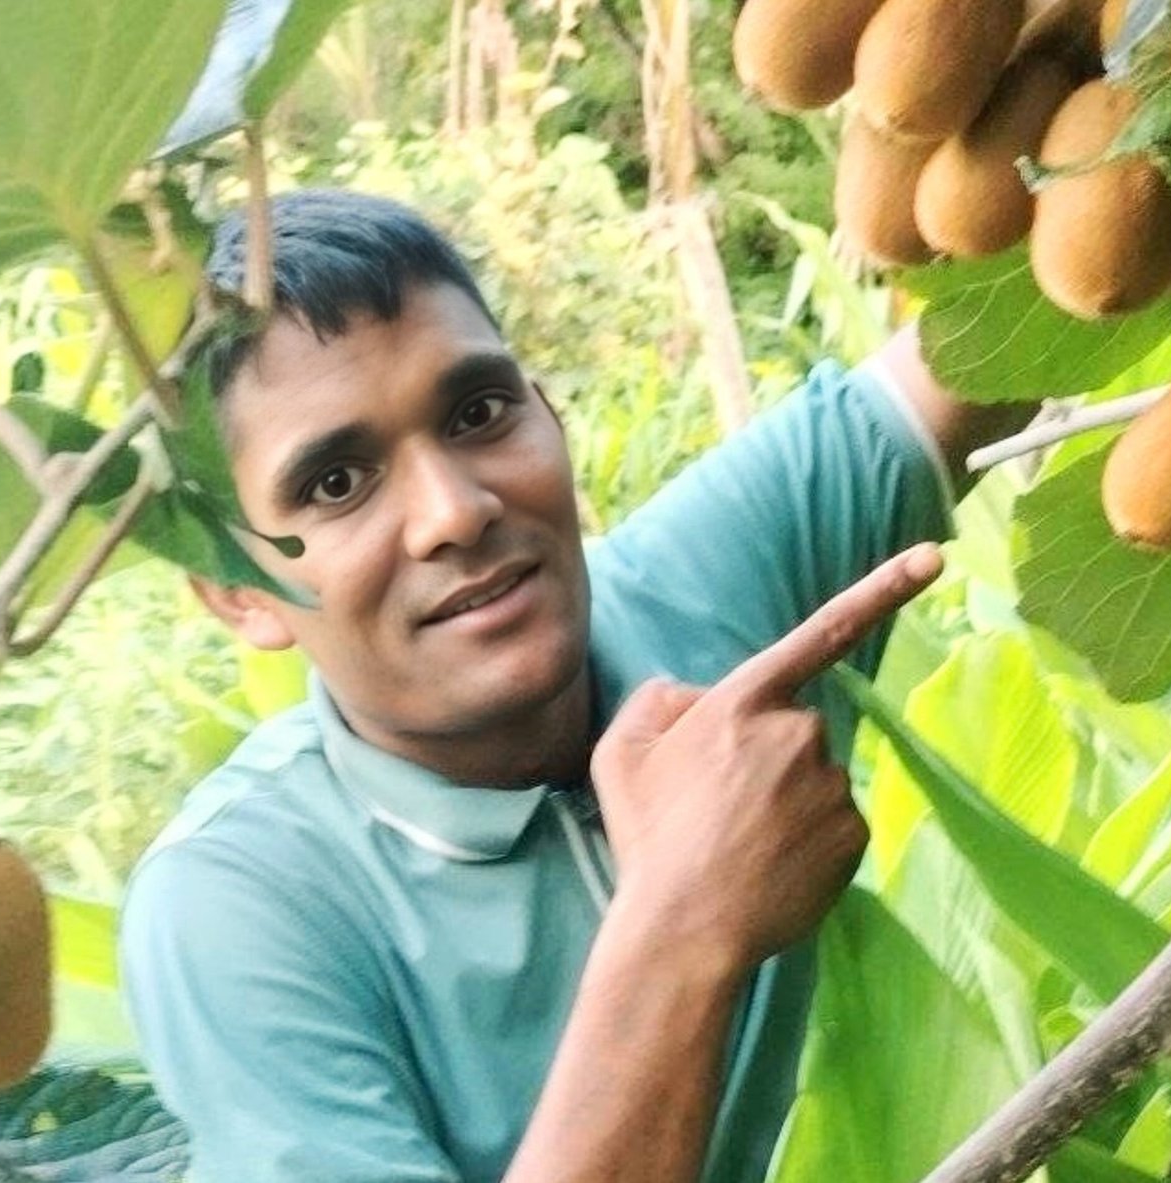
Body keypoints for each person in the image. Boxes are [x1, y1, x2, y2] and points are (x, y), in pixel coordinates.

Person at [119, 188, 1021, 1182]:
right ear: (237, 591)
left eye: (477, 413)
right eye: (337, 483)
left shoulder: (701, 586)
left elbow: (1015, 322)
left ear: (546, 411)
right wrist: (684, 923)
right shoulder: (238, 907)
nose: (453, 511)